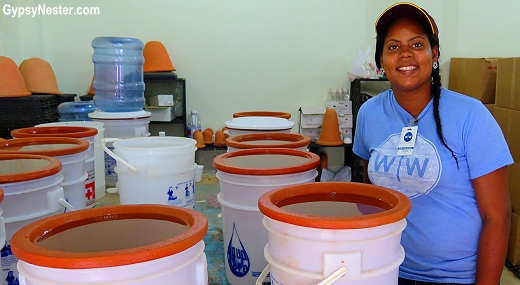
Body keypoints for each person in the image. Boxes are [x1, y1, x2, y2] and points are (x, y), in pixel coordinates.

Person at [353, 2, 513, 285]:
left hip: (455, 277)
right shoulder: (369, 113)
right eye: (393, 47)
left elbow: (497, 218)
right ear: (380, 61)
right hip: (387, 269)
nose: (405, 54)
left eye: (416, 44)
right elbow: (372, 194)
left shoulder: (471, 115)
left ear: (434, 53)